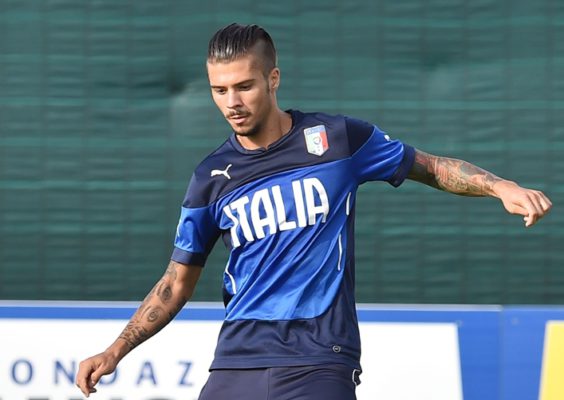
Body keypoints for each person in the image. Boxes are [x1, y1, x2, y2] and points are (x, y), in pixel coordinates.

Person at [75, 23, 552, 400]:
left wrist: (500, 187)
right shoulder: (210, 177)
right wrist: (116, 350)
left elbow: (429, 167)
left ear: (273, 79)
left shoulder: (339, 140)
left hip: (321, 358)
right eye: (219, 90)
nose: (232, 103)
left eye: (244, 86)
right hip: (237, 360)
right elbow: (176, 283)